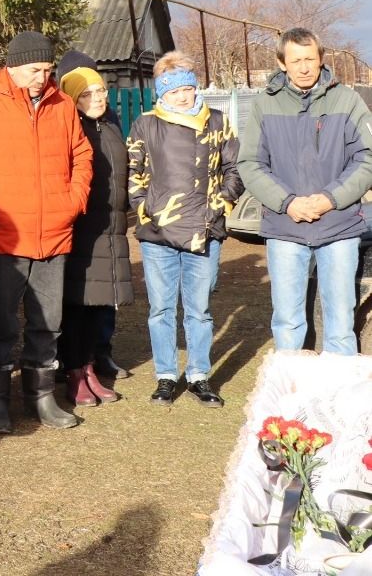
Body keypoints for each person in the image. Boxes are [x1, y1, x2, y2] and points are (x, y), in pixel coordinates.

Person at [0, 31, 92, 433]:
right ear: (13, 66)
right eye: (34, 70)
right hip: (4, 238)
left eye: (47, 69)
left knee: (49, 322)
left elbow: (81, 154)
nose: (42, 77)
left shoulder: (62, 104)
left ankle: (40, 396)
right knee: (0, 321)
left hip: (55, 233)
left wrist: (73, 199)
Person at [238, 27, 372, 356]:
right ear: (282, 62)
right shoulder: (264, 104)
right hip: (285, 226)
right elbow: (250, 163)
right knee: (287, 321)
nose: (304, 67)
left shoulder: (347, 100)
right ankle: (290, 398)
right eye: (295, 60)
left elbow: (367, 157)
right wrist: (287, 203)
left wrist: (330, 199)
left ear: (321, 59)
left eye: (310, 59)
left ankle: (338, 401)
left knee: (340, 321)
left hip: (339, 225)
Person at [125, 52, 241, 407]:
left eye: (188, 87)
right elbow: (134, 174)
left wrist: (218, 207)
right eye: (174, 90)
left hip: (204, 231)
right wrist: (145, 209)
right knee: (161, 309)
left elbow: (235, 171)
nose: (183, 96)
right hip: (158, 233)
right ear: (162, 92)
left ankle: (198, 375)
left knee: (199, 309)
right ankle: (165, 376)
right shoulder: (145, 124)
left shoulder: (219, 122)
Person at [56, 66, 135, 408]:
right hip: (81, 227)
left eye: (100, 91)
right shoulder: (71, 128)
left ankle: (89, 369)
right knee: (77, 305)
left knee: (98, 305)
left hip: (110, 225)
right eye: (87, 94)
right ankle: (74, 372)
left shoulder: (111, 125)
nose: (97, 99)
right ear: (74, 100)